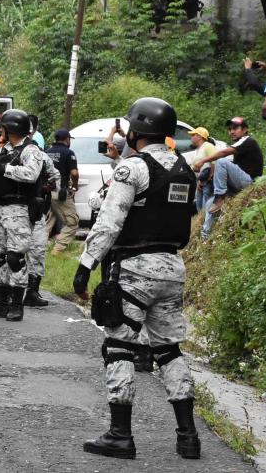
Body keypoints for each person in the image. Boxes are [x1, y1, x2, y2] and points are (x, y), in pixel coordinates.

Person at [73, 97, 200, 460]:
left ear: (138, 129)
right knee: (168, 349)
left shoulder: (133, 168)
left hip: (135, 269)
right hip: (172, 268)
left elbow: (109, 222)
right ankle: (188, 437)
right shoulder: (183, 168)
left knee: (119, 347)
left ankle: (120, 435)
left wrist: (85, 266)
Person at [0, 109, 44, 322]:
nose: (0, 131)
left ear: (11, 128)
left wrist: (4, 169)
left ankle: (16, 304)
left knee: (15, 258)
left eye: (2, 127)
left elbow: (32, 175)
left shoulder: (31, 151)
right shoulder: (3, 150)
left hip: (19, 210)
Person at [192, 117, 263, 215]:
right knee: (209, 204)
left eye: (235, 128)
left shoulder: (248, 141)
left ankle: (220, 196)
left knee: (221, 161)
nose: (232, 131)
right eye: (230, 129)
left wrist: (203, 160)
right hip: (240, 180)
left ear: (245, 129)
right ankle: (206, 230)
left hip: (250, 181)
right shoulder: (239, 144)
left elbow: (224, 153)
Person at [25, 146, 60, 307]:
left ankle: (32, 291)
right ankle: (7, 293)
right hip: (10, 209)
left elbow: (55, 177)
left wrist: (45, 187)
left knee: (37, 250)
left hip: (34, 211)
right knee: (11, 253)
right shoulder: (6, 154)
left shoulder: (43, 157)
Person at [45, 129, 80, 255]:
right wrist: (75, 186)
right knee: (72, 222)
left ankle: (38, 246)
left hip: (47, 193)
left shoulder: (46, 152)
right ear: (67, 139)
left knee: (49, 221)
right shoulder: (68, 152)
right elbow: (74, 173)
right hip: (61, 194)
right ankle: (58, 250)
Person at [186, 127, 217, 213]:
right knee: (199, 206)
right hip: (201, 181)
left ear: (199, 136)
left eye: (193, 135)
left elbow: (214, 162)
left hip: (207, 181)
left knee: (205, 206)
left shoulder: (208, 146)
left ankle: (205, 225)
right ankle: (200, 225)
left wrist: (209, 179)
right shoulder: (197, 150)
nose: (191, 137)